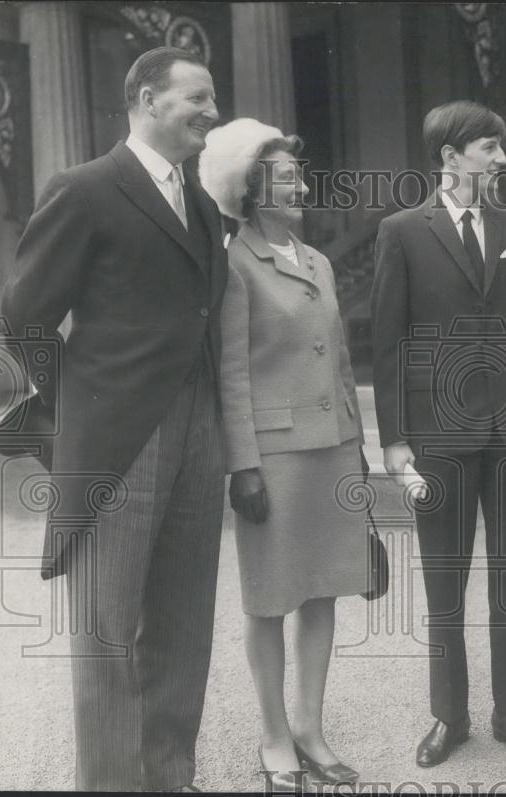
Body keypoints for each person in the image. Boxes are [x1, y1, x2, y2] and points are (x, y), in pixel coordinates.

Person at [0, 47, 225, 791]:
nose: (212, 112)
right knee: (106, 640)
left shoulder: (198, 201)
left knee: (183, 630)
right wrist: (81, 408)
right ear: (147, 98)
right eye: (198, 97)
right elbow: (24, 315)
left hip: (198, 433)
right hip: (116, 446)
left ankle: (168, 777)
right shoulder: (86, 189)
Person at [370, 100, 506, 768]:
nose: (502, 160)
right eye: (489, 148)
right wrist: (394, 440)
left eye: (501, 148)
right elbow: (388, 342)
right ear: (450, 158)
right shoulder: (401, 231)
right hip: (437, 436)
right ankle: (449, 716)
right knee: (443, 579)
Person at [199, 119, 367, 789]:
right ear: (250, 188)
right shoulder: (234, 263)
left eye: (298, 172)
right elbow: (230, 372)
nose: (299, 182)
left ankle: (311, 729)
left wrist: (357, 450)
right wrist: (242, 464)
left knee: (322, 593)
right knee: (269, 600)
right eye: (284, 175)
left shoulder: (318, 260)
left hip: (332, 452)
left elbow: (343, 363)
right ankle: (273, 736)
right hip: (272, 458)